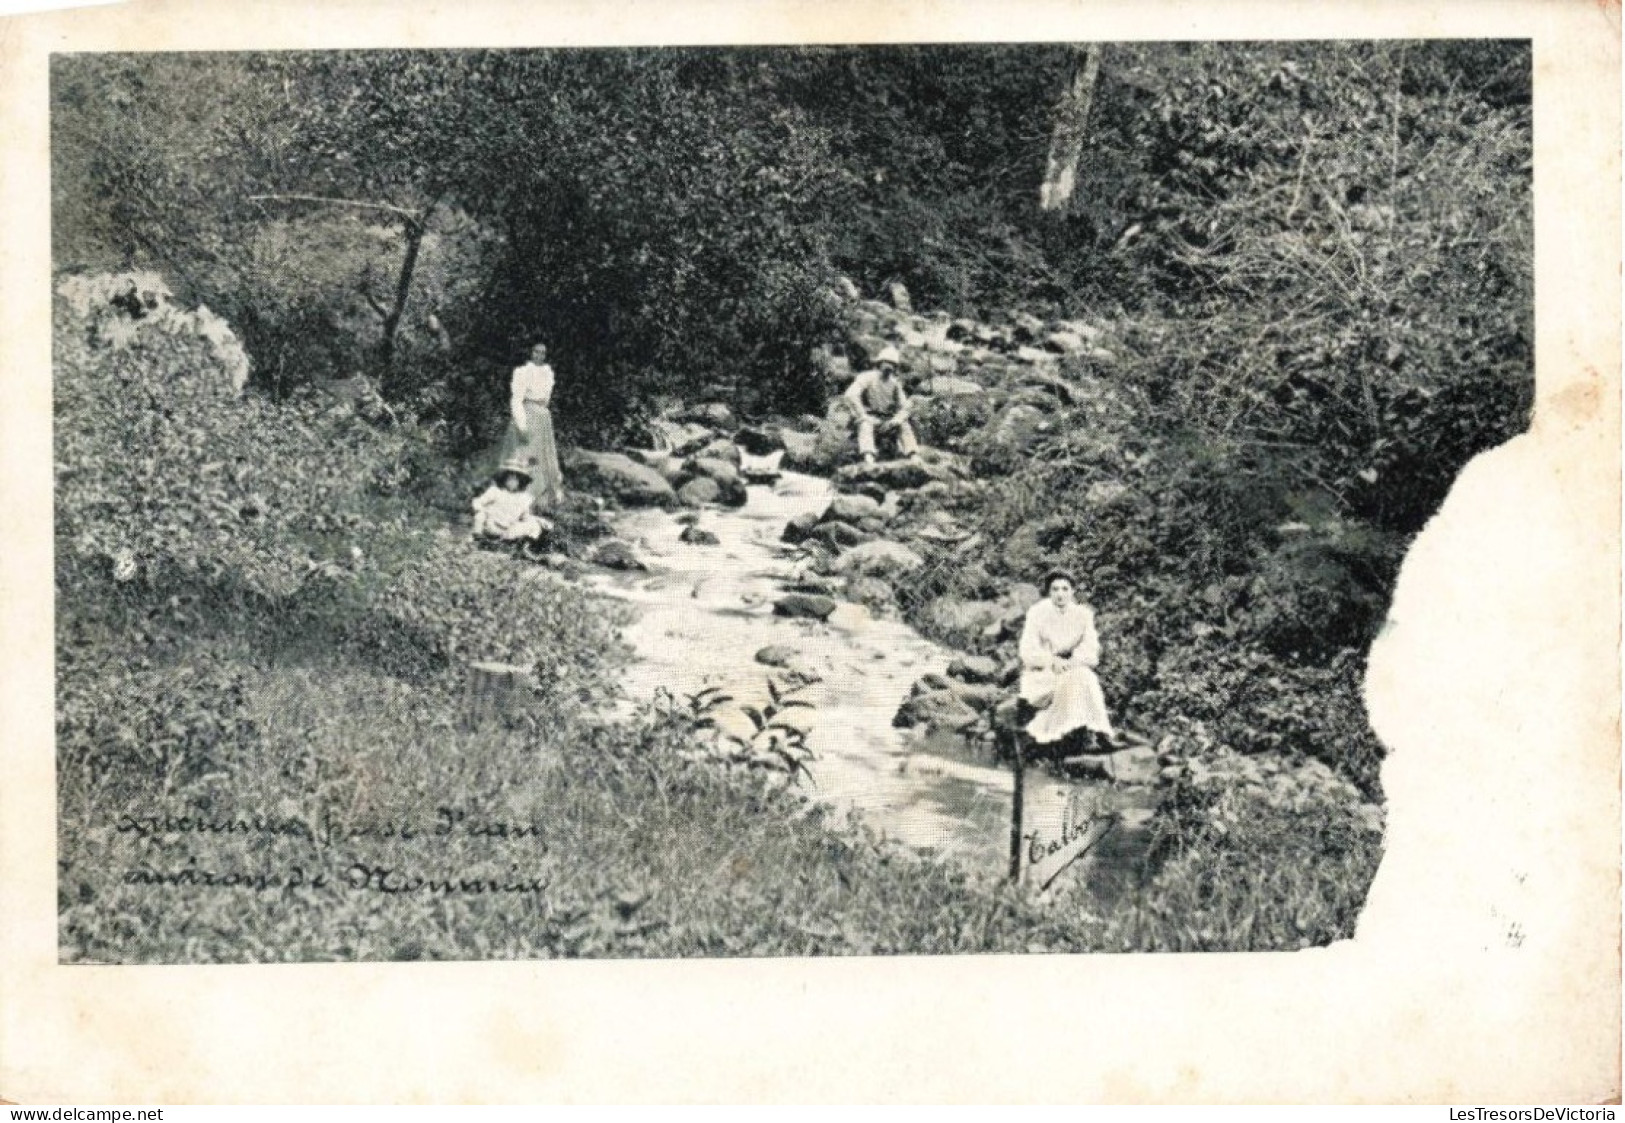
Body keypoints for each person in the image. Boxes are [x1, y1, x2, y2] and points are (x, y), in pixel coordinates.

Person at [1017, 569, 1117, 752]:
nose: (1060, 594)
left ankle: (1100, 730)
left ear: (1072, 592)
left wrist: (1074, 661)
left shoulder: (1083, 615)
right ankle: (1066, 733)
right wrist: (1051, 661)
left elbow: (1091, 648)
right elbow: (1027, 650)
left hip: (1072, 666)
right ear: (1049, 592)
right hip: (1042, 672)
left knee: (1085, 677)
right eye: (1055, 589)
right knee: (1075, 680)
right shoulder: (1037, 613)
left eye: (1065, 589)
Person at [496, 342, 567, 509]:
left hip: (542, 417)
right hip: (527, 415)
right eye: (536, 352)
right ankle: (517, 495)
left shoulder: (547, 373)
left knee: (542, 458)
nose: (539, 356)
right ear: (531, 353)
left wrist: (542, 411)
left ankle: (540, 500)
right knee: (525, 455)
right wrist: (521, 424)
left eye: (543, 353)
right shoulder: (522, 372)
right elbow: (516, 399)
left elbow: (546, 398)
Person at [844, 345, 920, 465]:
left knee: (904, 425)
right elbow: (851, 394)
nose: (889, 366)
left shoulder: (895, 384)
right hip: (869, 416)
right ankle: (868, 457)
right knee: (865, 425)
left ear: (895, 367)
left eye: (892, 364)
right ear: (879, 363)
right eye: (886, 362)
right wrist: (862, 415)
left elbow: (905, 406)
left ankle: (913, 455)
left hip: (887, 419)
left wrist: (895, 420)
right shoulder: (867, 377)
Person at [472, 461, 551, 548]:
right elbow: (477, 502)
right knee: (480, 514)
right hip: (491, 526)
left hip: (508, 530)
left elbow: (525, 517)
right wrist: (483, 511)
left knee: (534, 525)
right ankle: (478, 539)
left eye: (516, 479)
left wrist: (539, 520)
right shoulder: (495, 491)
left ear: (520, 481)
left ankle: (521, 547)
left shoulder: (523, 498)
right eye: (509, 478)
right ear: (504, 478)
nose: (512, 482)